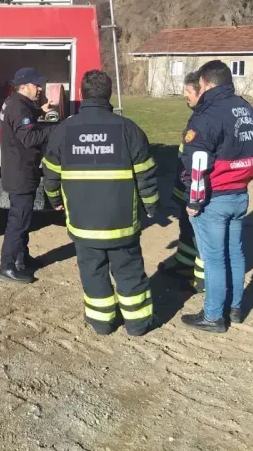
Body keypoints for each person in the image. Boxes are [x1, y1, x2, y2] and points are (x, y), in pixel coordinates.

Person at [42, 70, 159, 336]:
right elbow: (146, 176)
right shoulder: (129, 129)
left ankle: (101, 323)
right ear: (109, 94)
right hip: (122, 224)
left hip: (83, 224)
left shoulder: (64, 130)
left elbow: (50, 173)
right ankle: (138, 324)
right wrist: (151, 207)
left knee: (92, 272)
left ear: (82, 95)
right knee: (129, 271)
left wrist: (54, 200)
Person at [180, 60, 253, 333]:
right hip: (240, 192)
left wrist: (194, 202)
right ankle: (235, 307)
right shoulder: (247, 109)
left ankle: (214, 316)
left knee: (215, 258)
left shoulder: (207, 115)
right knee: (235, 252)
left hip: (213, 197)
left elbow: (196, 162)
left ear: (205, 83)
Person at [0, 67, 58, 284]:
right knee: (18, 222)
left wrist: (40, 112)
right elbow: (30, 138)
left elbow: (22, 123)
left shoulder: (15, 103)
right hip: (21, 173)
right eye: (36, 85)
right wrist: (55, 129)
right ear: (24, 86)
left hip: (18, 171)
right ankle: (8, 266)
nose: (39, 88)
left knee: (23, 219)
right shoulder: (19, 108)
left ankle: (22, 258)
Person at [157, 71, 205, 293]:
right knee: (186, 226)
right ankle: (185, 264)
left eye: (188, 91)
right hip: (186, 185)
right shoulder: (199, 114)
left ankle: (202, 280)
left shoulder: (207, 118)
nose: (185, 95)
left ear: (200, 90)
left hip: (197, 187)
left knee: (203, 233)